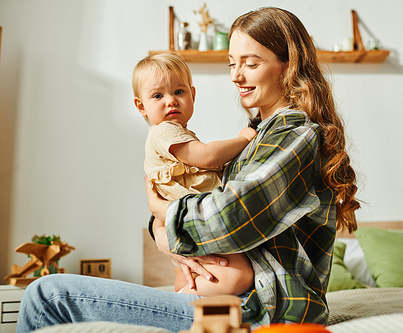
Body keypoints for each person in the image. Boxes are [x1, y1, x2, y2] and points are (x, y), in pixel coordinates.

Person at [16, 7, 359, 333]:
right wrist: (160, 231)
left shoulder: (295, 136)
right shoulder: (258, 137)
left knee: (46, 296)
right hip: (234, 295)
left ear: (288, 67)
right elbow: (201, 203)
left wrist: (163, 211)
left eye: (250, 64)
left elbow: (229, 215)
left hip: (261, 307)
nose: (236, 76)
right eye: (231, 64)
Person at [133, 52, 256, 296]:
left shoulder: (179, 135)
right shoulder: (164, 132)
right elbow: (207, 156)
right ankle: (178, 303)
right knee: (238, 274)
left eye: (179, 92)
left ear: (193, 95)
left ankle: (186, 293)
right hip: (191, 225)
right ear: (141, 106)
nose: (171, 101)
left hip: (189, 225)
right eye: (158, 95)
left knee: (205, 273)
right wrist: (243, 139)